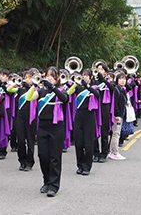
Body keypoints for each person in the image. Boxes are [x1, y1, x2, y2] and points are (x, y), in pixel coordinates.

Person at [28, 67, 71, 197]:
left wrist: (52, 88)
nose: (49, 78)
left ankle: (54, 185)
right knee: (43, 155)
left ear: (57, 78)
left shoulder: (62, 90)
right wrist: (34, 85)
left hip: (57, 127)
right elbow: (29, 98)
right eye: (47, 75)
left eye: (52, 76)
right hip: (42, 126)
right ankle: (46, 181)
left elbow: (64, 99)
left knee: (55, 157)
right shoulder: (41, 91)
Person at [7, 70, 37, 171]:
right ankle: (22, 160)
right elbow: (9, 89)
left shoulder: (36, 89)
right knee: (20, 140)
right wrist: (16, 83)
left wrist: (31, 87)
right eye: (26, 77)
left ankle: (29, 162)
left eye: (29, 77)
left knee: (30, 140)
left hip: (31, 117)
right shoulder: (20, 89)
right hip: (20, 116)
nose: (27, 79)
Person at [72, 69, 100, 176]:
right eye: (83, 75)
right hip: (79, 115)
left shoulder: (94, 87)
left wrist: (87, 86)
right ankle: (80, 165)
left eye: (86, 75)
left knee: (88, 143)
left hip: (89, 116)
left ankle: (87, 166)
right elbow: (68, 92)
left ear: (91, 77)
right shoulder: (77, 88)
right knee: (78, 143)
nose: (84, 77)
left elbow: (97, 94)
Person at [93, 63, 115, 163]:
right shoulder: (94, 82)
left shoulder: (109, 82)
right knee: (94, 131)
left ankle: (104, 153)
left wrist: (104, 80)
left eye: (101, 69)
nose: (99, 71)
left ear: (105, 72)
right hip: (95, 108)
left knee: (104, 132)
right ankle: (95, 153)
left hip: (105, 109)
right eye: (98, 69)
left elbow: (113, 89)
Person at [108, 71, 127, 161]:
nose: (123, 81)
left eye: (124, 79)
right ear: (117, 80)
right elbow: (114, 103)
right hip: (117, 116)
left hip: (120, 115)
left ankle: (112, 152)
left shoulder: (122, 89)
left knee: (116, 134)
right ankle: (114, 152)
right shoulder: (117, 89)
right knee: (116, 134)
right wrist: (117, 114)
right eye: (120, 79)